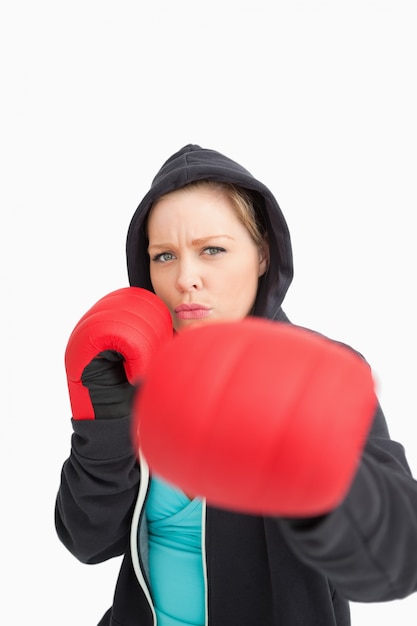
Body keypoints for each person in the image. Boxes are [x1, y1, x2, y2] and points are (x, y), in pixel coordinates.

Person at [55, 144, 417, 626]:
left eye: (212, 250)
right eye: (164, 255)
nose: (186, 278)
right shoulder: (131, 373)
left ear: (263, 254)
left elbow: (395, 560)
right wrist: (104, 423)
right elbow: (87, 540)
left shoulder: (320, 371)